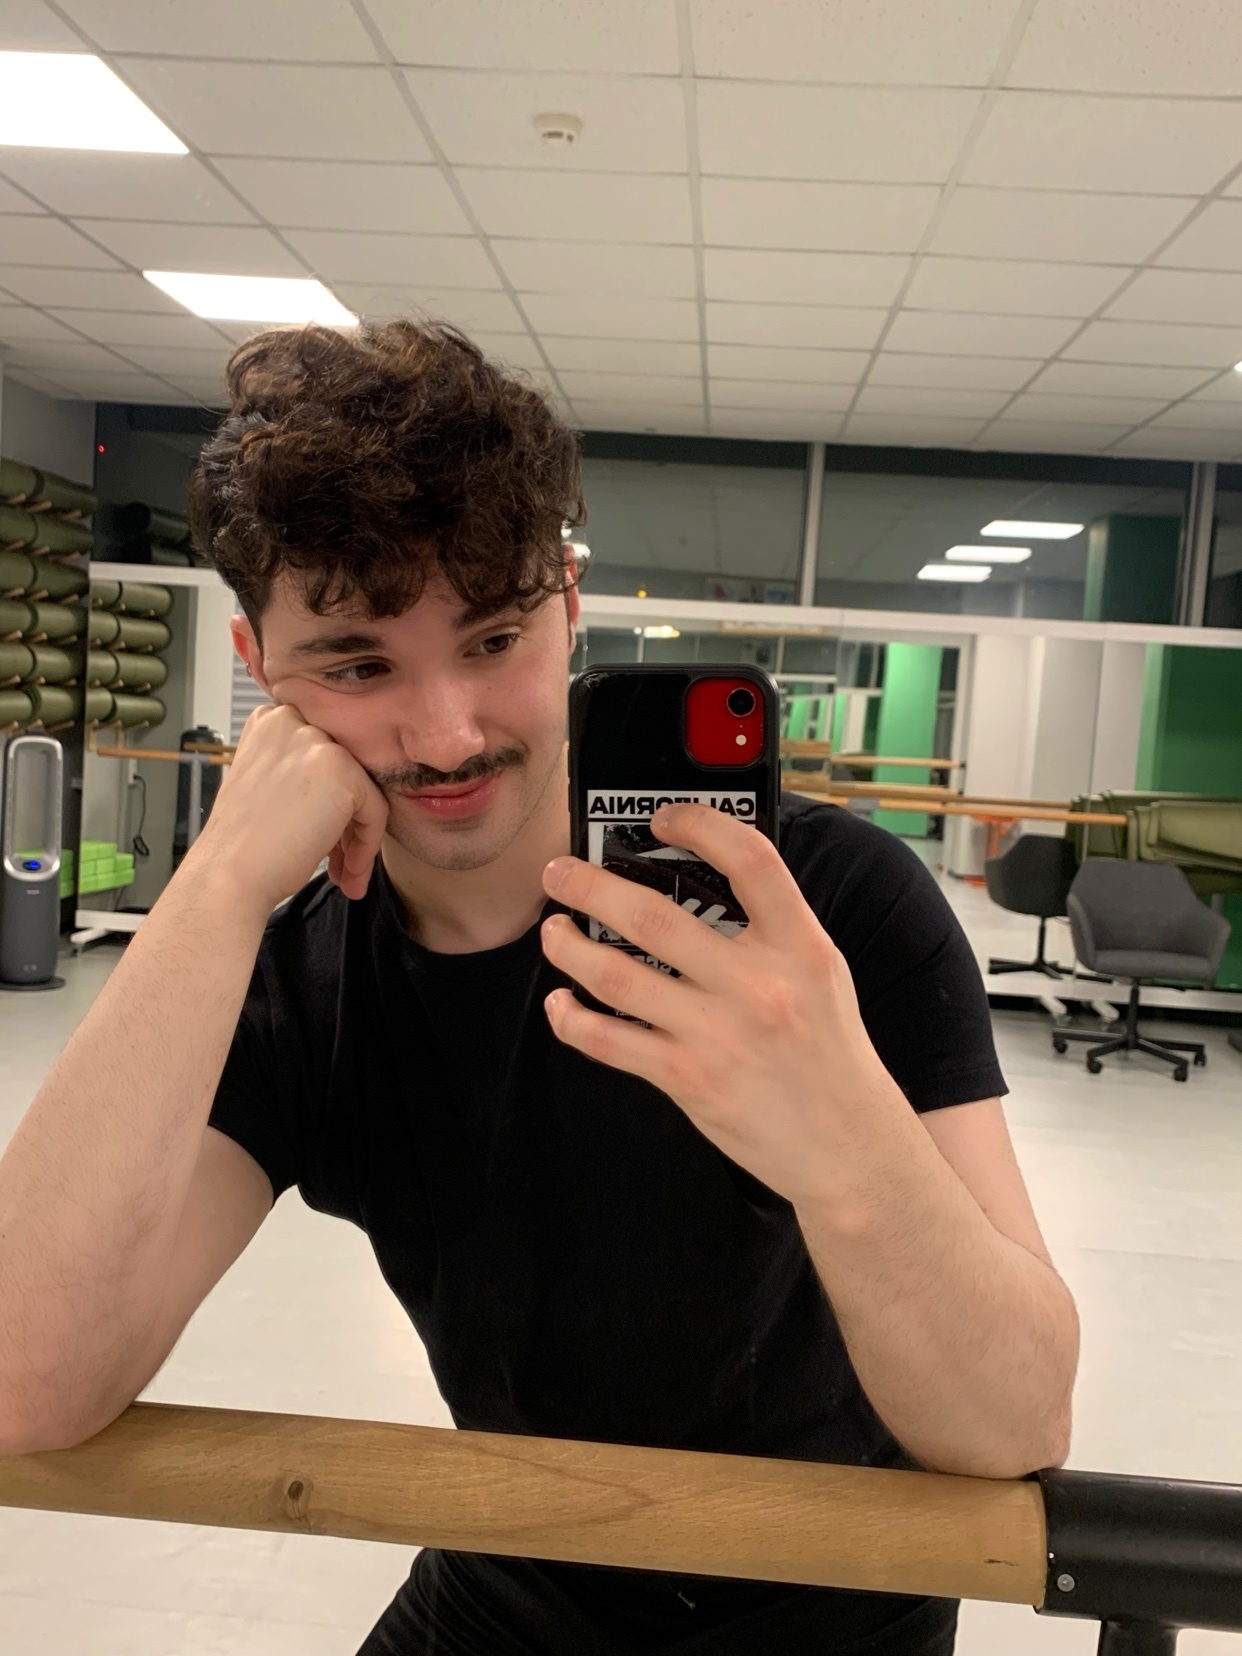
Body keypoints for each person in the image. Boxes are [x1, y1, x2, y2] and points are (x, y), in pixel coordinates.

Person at [0, 320, 1079, 1655]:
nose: (445, 731)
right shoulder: (301, 982)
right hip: (518, 1566)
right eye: (355, 663)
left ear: (567, 605)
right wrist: (216, 890)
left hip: (833, 1586)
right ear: (259, 663)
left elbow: (1014, 1425)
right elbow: (22, 1378)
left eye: (493, 636)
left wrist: (841, 1138)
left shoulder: (829, 907)